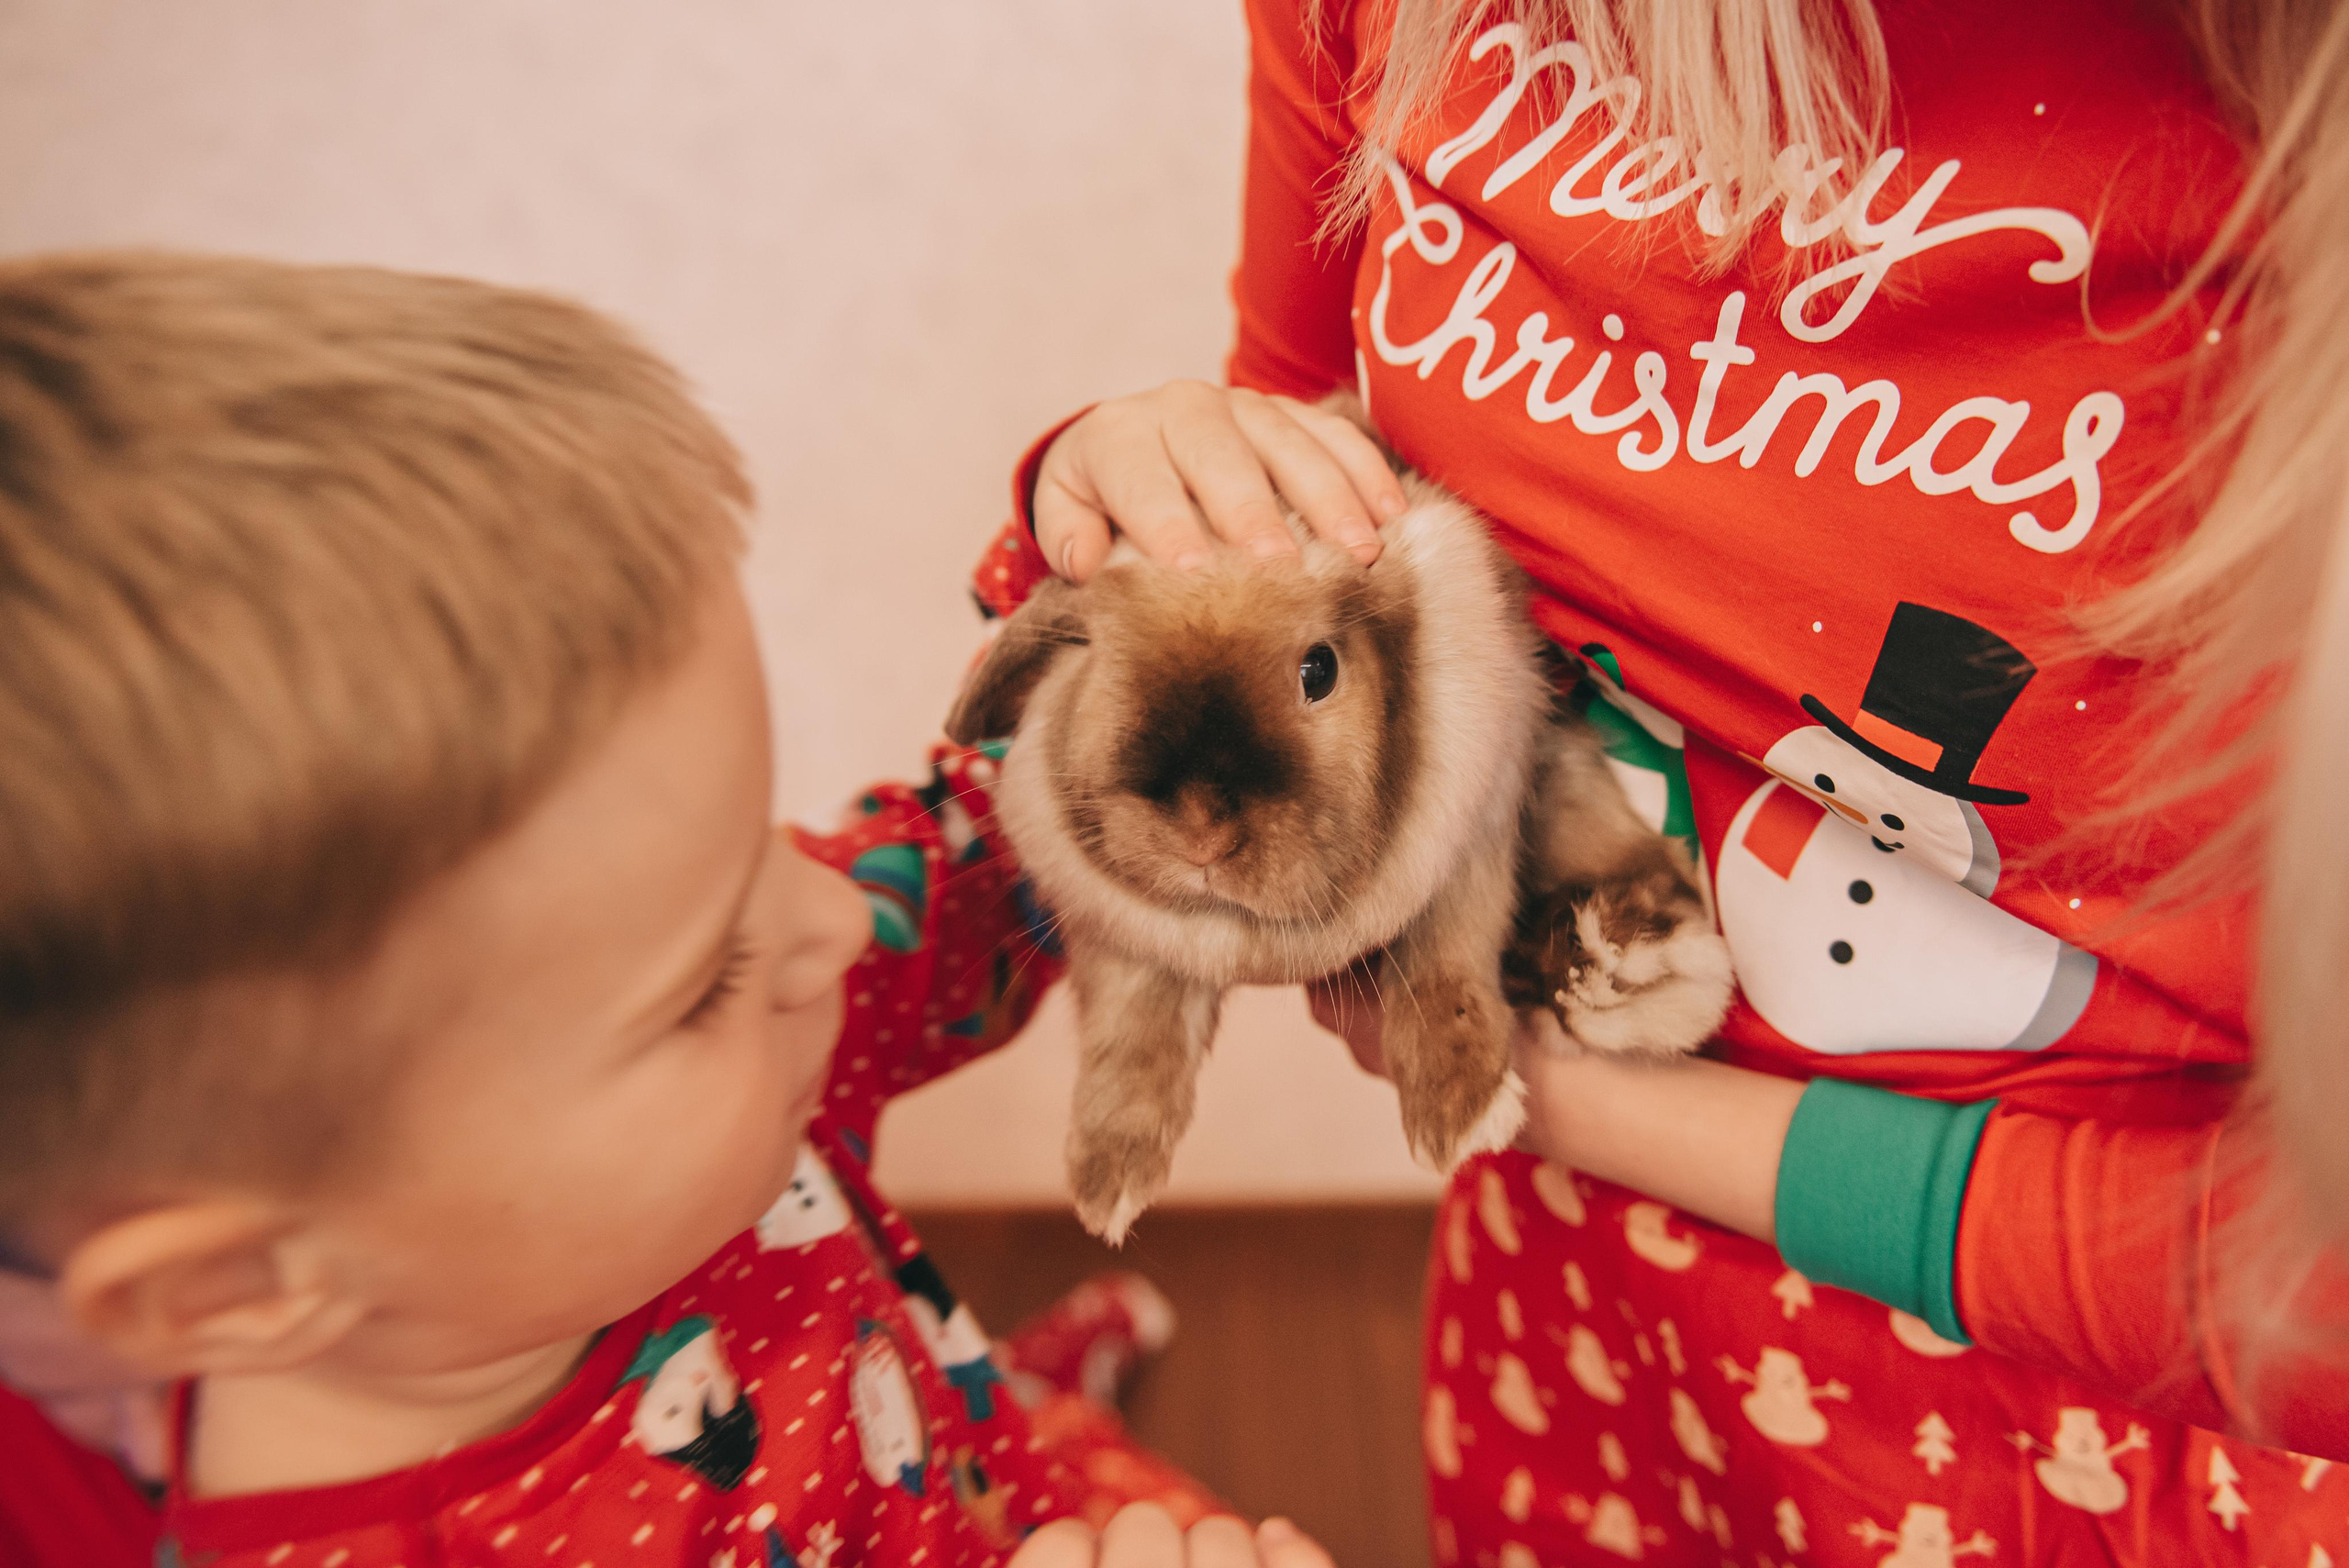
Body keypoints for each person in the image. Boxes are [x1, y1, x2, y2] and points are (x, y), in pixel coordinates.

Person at [984, 0, 2349, 1562]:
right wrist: (1118, 476)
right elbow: (1304, 487)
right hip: (1591, 1319)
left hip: (2145, 1421)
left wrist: (1578, 1100)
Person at [0, 251, 1330, 1568]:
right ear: (248, 1284)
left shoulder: (690, 1007)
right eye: (701, 981)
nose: (835, 916)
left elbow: (991, 843)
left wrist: (1113, 564)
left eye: (759, 842)